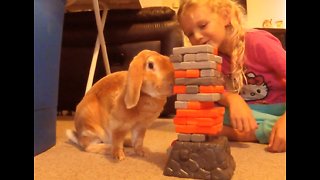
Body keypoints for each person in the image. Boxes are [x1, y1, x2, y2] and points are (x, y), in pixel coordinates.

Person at [177, 0, 286, 153]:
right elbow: (209, 89)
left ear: (226, 16)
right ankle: (265, 132)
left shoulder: (258, 42)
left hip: (278, 108)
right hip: (246, 112)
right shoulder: (208, 56)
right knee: (194, 115)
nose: (197, 37)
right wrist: (232, 99)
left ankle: (261, 132)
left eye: (202, 26)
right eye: (190, 34)